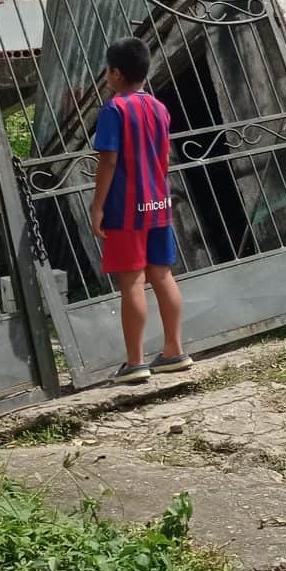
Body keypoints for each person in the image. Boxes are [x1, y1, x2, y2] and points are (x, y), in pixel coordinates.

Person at [89, 36, 192, 384]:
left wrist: (97, 207)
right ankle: (174, 351)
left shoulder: (113, 110)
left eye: (107, 70)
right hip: (158, 203)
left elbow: (109, 160)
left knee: (132, 281)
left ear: (115, 73)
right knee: (162, 275)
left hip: (125, 209)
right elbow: (164, 157)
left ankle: (135, 362)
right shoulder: (159, 108)